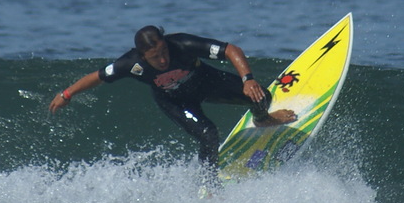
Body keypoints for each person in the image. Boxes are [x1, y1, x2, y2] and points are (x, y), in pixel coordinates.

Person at [49, 26, 295, 167]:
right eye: (156, 57)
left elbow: (230, 50)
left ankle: (262, 119)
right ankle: (209, 184)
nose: (163, 59)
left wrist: (247, 79)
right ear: (143, 56)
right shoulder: (131, 64)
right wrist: (67, 93)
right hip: (175, 101)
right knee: (208, 134)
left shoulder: (182, 44)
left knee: (261, 96)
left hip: (205, 82)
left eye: (164, 51)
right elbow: (99, 76)